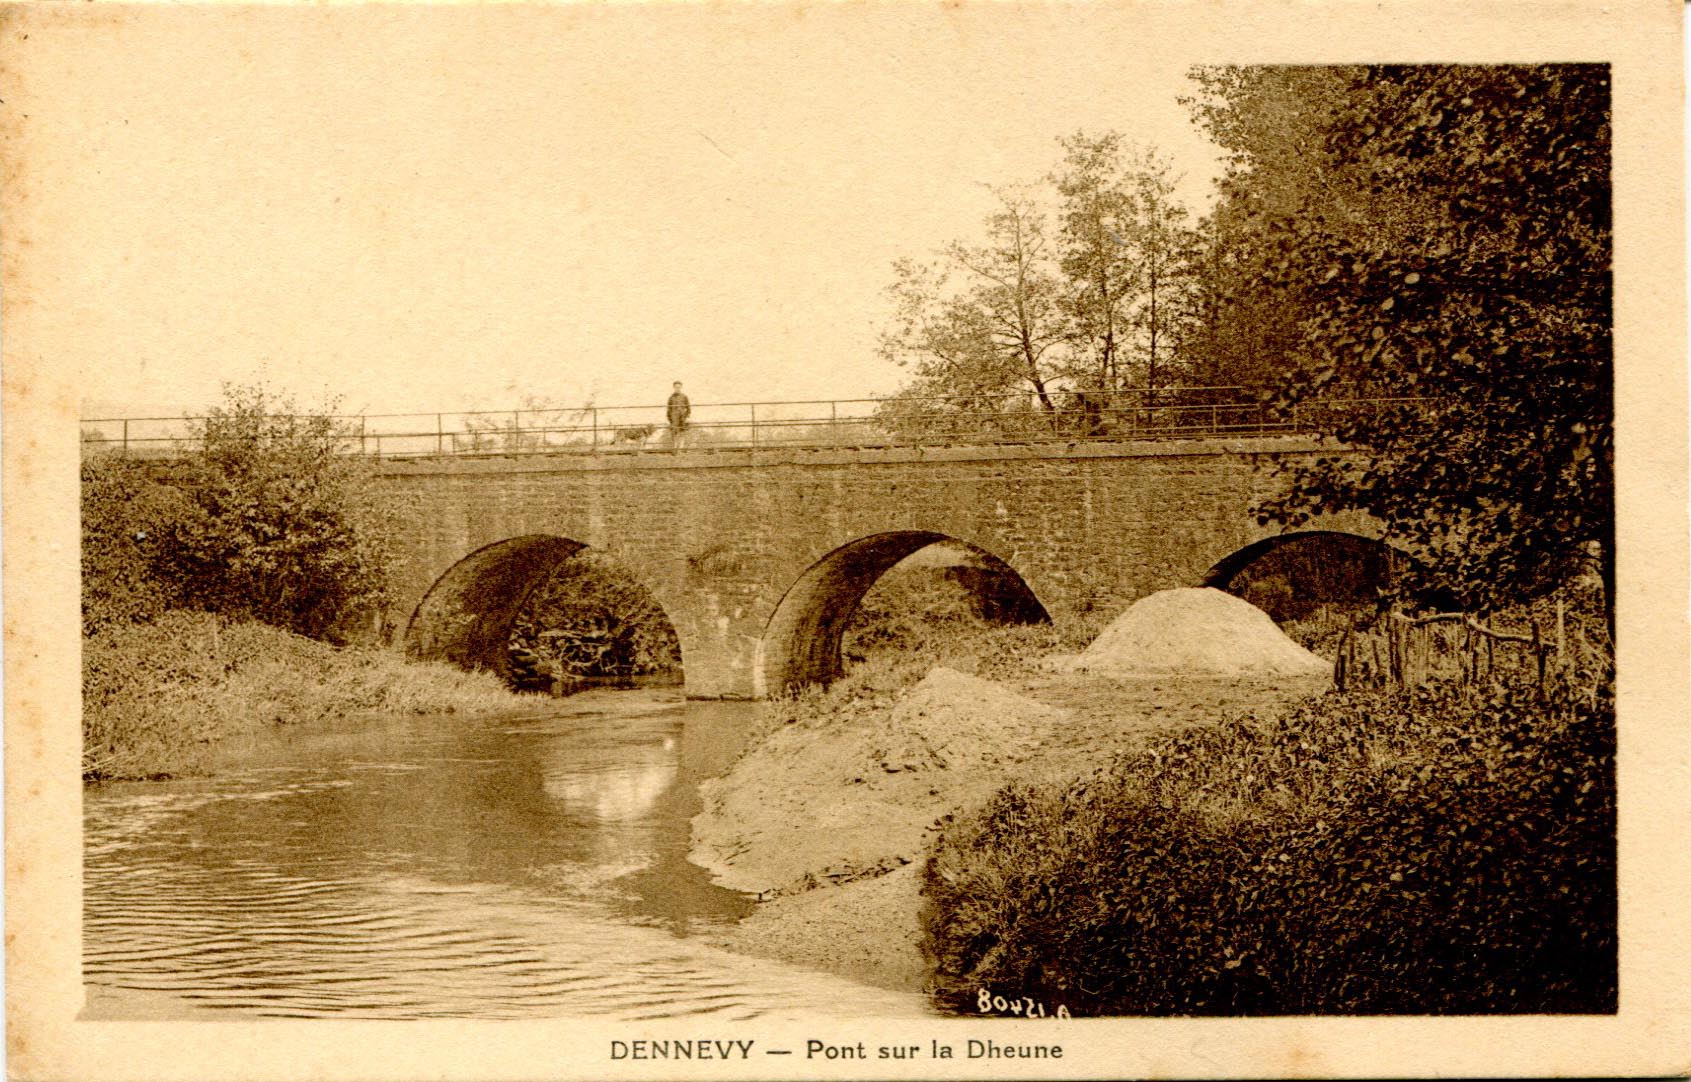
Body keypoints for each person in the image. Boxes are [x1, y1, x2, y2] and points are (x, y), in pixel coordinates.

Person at [666, 381, 691, 448]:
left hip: (683, 416)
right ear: (674, 387)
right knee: (674, 431)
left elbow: (688, 407)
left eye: (679, 387)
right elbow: (668, 409)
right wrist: (669, 419)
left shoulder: (684, 396)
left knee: (682, 431)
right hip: (674, 417)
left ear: (681, 387)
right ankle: (674, 446)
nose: (677, 388)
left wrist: (688, 417)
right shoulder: (671, 397)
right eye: (676, 387)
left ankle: (681, 446)